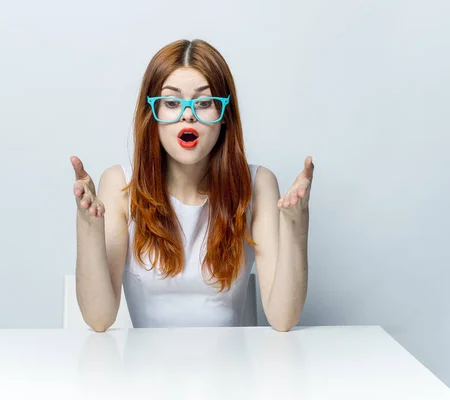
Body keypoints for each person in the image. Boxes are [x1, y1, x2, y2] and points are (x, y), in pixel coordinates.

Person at [70, 39, 314, 332]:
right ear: (152, 115)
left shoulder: (257, 185)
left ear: (225, 116)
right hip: (143, 373)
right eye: (172, 103)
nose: (188, 115)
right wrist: (87, 224)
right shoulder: (121, 185)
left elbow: (283, 318)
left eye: (204, 102)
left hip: (230, 373)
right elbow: (99, 319)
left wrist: (295, 223)